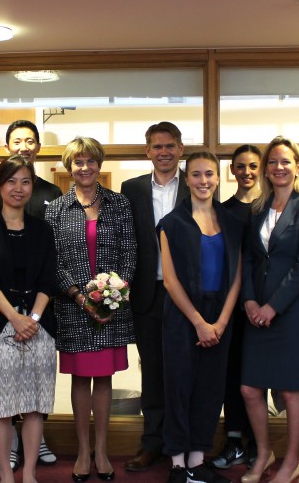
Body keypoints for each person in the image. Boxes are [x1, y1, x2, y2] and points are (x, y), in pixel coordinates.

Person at [45, 137, 136, 482]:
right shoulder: (55, 208)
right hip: (72, 307)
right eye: (78, 162)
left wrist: (114, 295)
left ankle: (102, 449)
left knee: (105, 379)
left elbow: (130, 252)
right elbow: (52, 262)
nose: (85, 168)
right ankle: (83, 450)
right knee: (82, 379)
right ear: (69, 168)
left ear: (100, 165)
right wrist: (81, 298)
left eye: (91, 161)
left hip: (112, 307)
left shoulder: (119, 204)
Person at [0, 119, 63, 468]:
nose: (18, 188)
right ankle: (6, 475)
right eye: (11, 181)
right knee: (3, 407)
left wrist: (34, 319)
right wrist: (15, 317)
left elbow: (49, 278)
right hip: (0, 328)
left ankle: (28, 472)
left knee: (35, 405)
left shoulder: (42, 229)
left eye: (25, 182)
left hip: (40, 327)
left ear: (32, 186)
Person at [240, 136, 299, 483]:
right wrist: (249, 300)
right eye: (272, 162)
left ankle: (291, 461)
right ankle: (264, 453)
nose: (278, 167)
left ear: (298, 167)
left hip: (292, 312)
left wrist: (273, 306)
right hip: (256, 309)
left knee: (291, 390)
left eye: (285, 161)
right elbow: (247, 258)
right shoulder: (258, 207)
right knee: (249, 388)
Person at [159, 152, 244, 483]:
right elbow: (169, 280)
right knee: (179, 387)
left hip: (221, 314)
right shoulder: (171, 223)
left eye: (209, 174)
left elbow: (237, 276)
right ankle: (178, 465)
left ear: (219, 177)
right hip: (183, 315)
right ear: (187, 178)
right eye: (196, 174)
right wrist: (198, 321)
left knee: (210, 389)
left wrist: (220, 323)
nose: (203, 180)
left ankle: (197, 461)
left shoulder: (233, 223)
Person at [120, 121, 188, 473]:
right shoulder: (130, 189)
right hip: (146, 295)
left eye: (170, 146)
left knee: (184, 371)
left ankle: (184, 446)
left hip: (186, 297)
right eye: (156, 146)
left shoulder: (195, 185)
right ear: (147, 151)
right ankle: (153, 443)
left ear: (181, 149)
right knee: (153, 373)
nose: (163, 152)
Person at [211, 144, 262, 470]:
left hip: (261, 306)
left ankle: (258, 442)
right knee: (231, 374)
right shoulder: (223, 210)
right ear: (232, 171)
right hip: (230, 305)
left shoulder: (269, 208)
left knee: (258, 375)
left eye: (252, 166)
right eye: (240, 166)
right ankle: (233, 440)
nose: (246, 172)